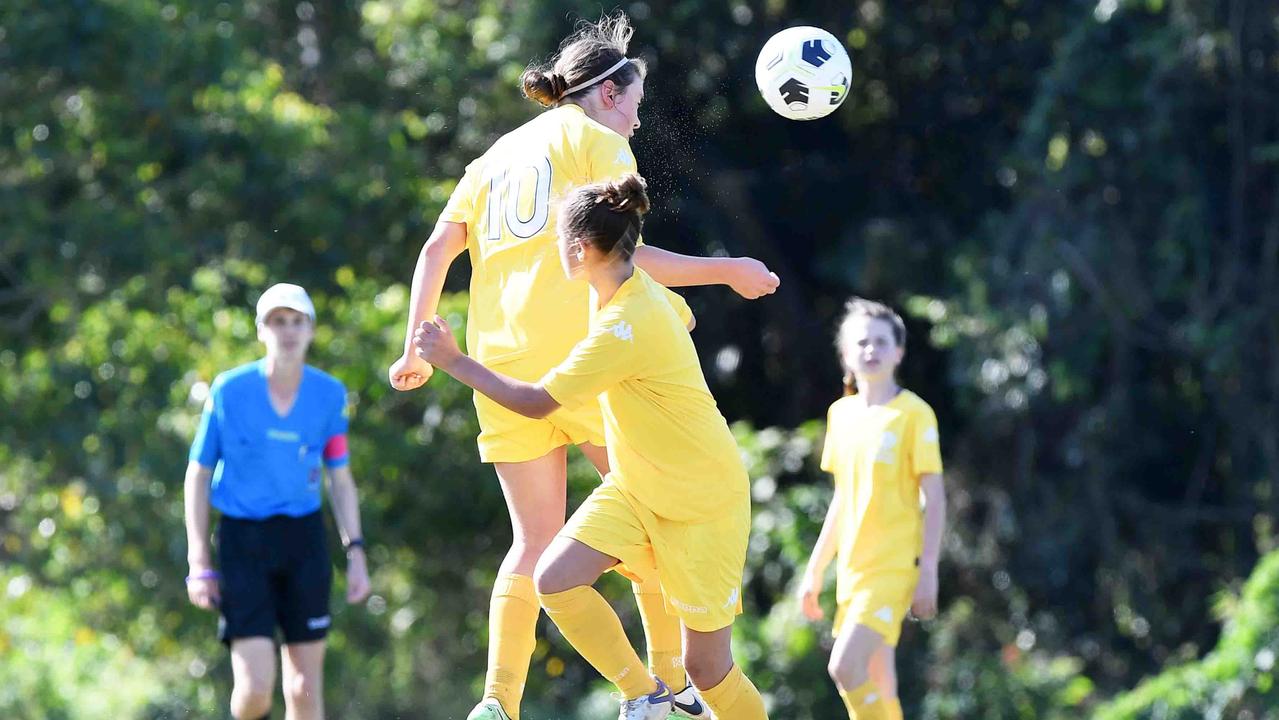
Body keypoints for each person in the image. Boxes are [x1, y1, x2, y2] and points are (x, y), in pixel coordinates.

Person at [387, 12, 778, 720]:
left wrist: (416, 343)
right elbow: (631, 258)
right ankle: (673, 686)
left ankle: (497, 703)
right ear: (604, 93)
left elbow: (436, 250)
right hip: (582, 361)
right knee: (650, 518)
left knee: (534, 543)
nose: (634, 118)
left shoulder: (495, 155)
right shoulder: (595, 142)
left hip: (499, 362)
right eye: (631, 101)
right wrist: (729, 272)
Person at [414, 174, 769, 720]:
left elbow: (536, 403)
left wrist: (454, 361)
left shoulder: (624, 324)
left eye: (556, 239)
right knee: (554, 579)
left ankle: (676, 689)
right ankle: (644, 692)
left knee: (709, 670)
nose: (551, 249)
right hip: (637, 486)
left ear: (579, 250)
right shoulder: (617, 290)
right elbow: (685, 315)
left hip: (703, 501)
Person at [184, 283, 371, 720]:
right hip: (242, 542)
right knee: (253, 693)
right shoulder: (229, 391)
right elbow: (198, 474)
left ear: (310, 330)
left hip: (303, 541)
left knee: (305, 688)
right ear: (261, 330)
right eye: (277, 321)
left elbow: (339, 477)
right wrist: (199, 562)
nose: (288, 331)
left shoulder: (330, 395)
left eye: (297, 321)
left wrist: (356, 552)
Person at [796, 298, 947, 720]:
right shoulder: (840, 415)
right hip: (854, 570)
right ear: (845, 354)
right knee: (880, 681)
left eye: (881, 342)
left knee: (845, 667)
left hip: (893, 567)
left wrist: (928, 569)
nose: (871, 350)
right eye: (861, 342)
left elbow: (934, 496)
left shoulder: (915, 414)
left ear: (899, 352)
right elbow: (843, 500)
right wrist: (815, 569)